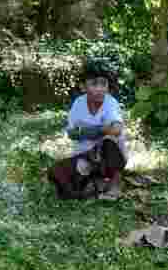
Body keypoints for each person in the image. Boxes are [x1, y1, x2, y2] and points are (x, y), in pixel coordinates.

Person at [47, 61, 127, 202]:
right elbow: (72, 134)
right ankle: (94, 186)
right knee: (55, 171)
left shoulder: (110, 103)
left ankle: (115, 185)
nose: (100, 89)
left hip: (106, 156)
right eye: (94, 84)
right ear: (83, 87)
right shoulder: (78, 103)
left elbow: (116, 129)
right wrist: (101, 129)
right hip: (85, 156)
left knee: (109, 141)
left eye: (103, 84)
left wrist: (87, 131)